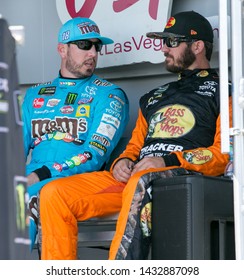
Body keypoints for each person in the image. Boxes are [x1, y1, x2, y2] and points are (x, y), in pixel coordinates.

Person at [39, 11, 232, 260]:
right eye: (163, 41)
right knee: (53, 193)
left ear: (197, 46)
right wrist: (122, 162)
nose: (164, 48)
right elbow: (134, 146)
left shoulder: (226, 92)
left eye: (172, 42)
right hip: (134, 180)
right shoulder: (153, 96)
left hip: (175, 179)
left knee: (141, 178)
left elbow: (222, 154)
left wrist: (167, 161)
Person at [22, 17, 129, 251]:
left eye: (96, 46)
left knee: (25, 196)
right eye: (84, 45)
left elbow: (94, 155)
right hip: (32, 176)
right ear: (62, 49)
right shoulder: (34, 95)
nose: (92, 53)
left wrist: (41, 174)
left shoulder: (110, 95)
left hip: (74, 180)